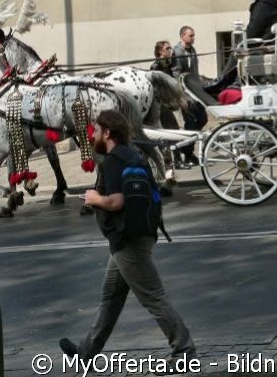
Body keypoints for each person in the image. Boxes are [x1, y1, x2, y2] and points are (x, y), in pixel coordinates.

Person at [59, 110, 196, 363]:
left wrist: (94, 198)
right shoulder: (132, 155)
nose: (93, 136)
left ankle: (184, 351)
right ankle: (85, 353)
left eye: (97, 131)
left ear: (108, 133)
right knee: (111, 296)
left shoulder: (113, 161)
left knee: (153, 296)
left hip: (128, 240)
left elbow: (116, 201)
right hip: (133, 235)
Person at [170, 26, 207, 166]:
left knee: (203, 119)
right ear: (182, 36)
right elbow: (176, 75)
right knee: (190, 123)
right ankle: (189, 154)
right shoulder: (177, 52)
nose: (193, 38)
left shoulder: (192, 50)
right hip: (185, 94)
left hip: (196, 92)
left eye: (193, 35)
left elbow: (194, 71)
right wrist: (181, 96)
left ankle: (186, 148)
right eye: (190, 35)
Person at [151, 41, 189, 174]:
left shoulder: (168, 64)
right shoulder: (156, 66)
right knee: (172, 131)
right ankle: (177, 161)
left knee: (172, 131)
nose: (170, 50)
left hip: (166, 103)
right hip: (160, 105)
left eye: (170, 48)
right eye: (167, 48)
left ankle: (177, 159)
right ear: (160, 52)